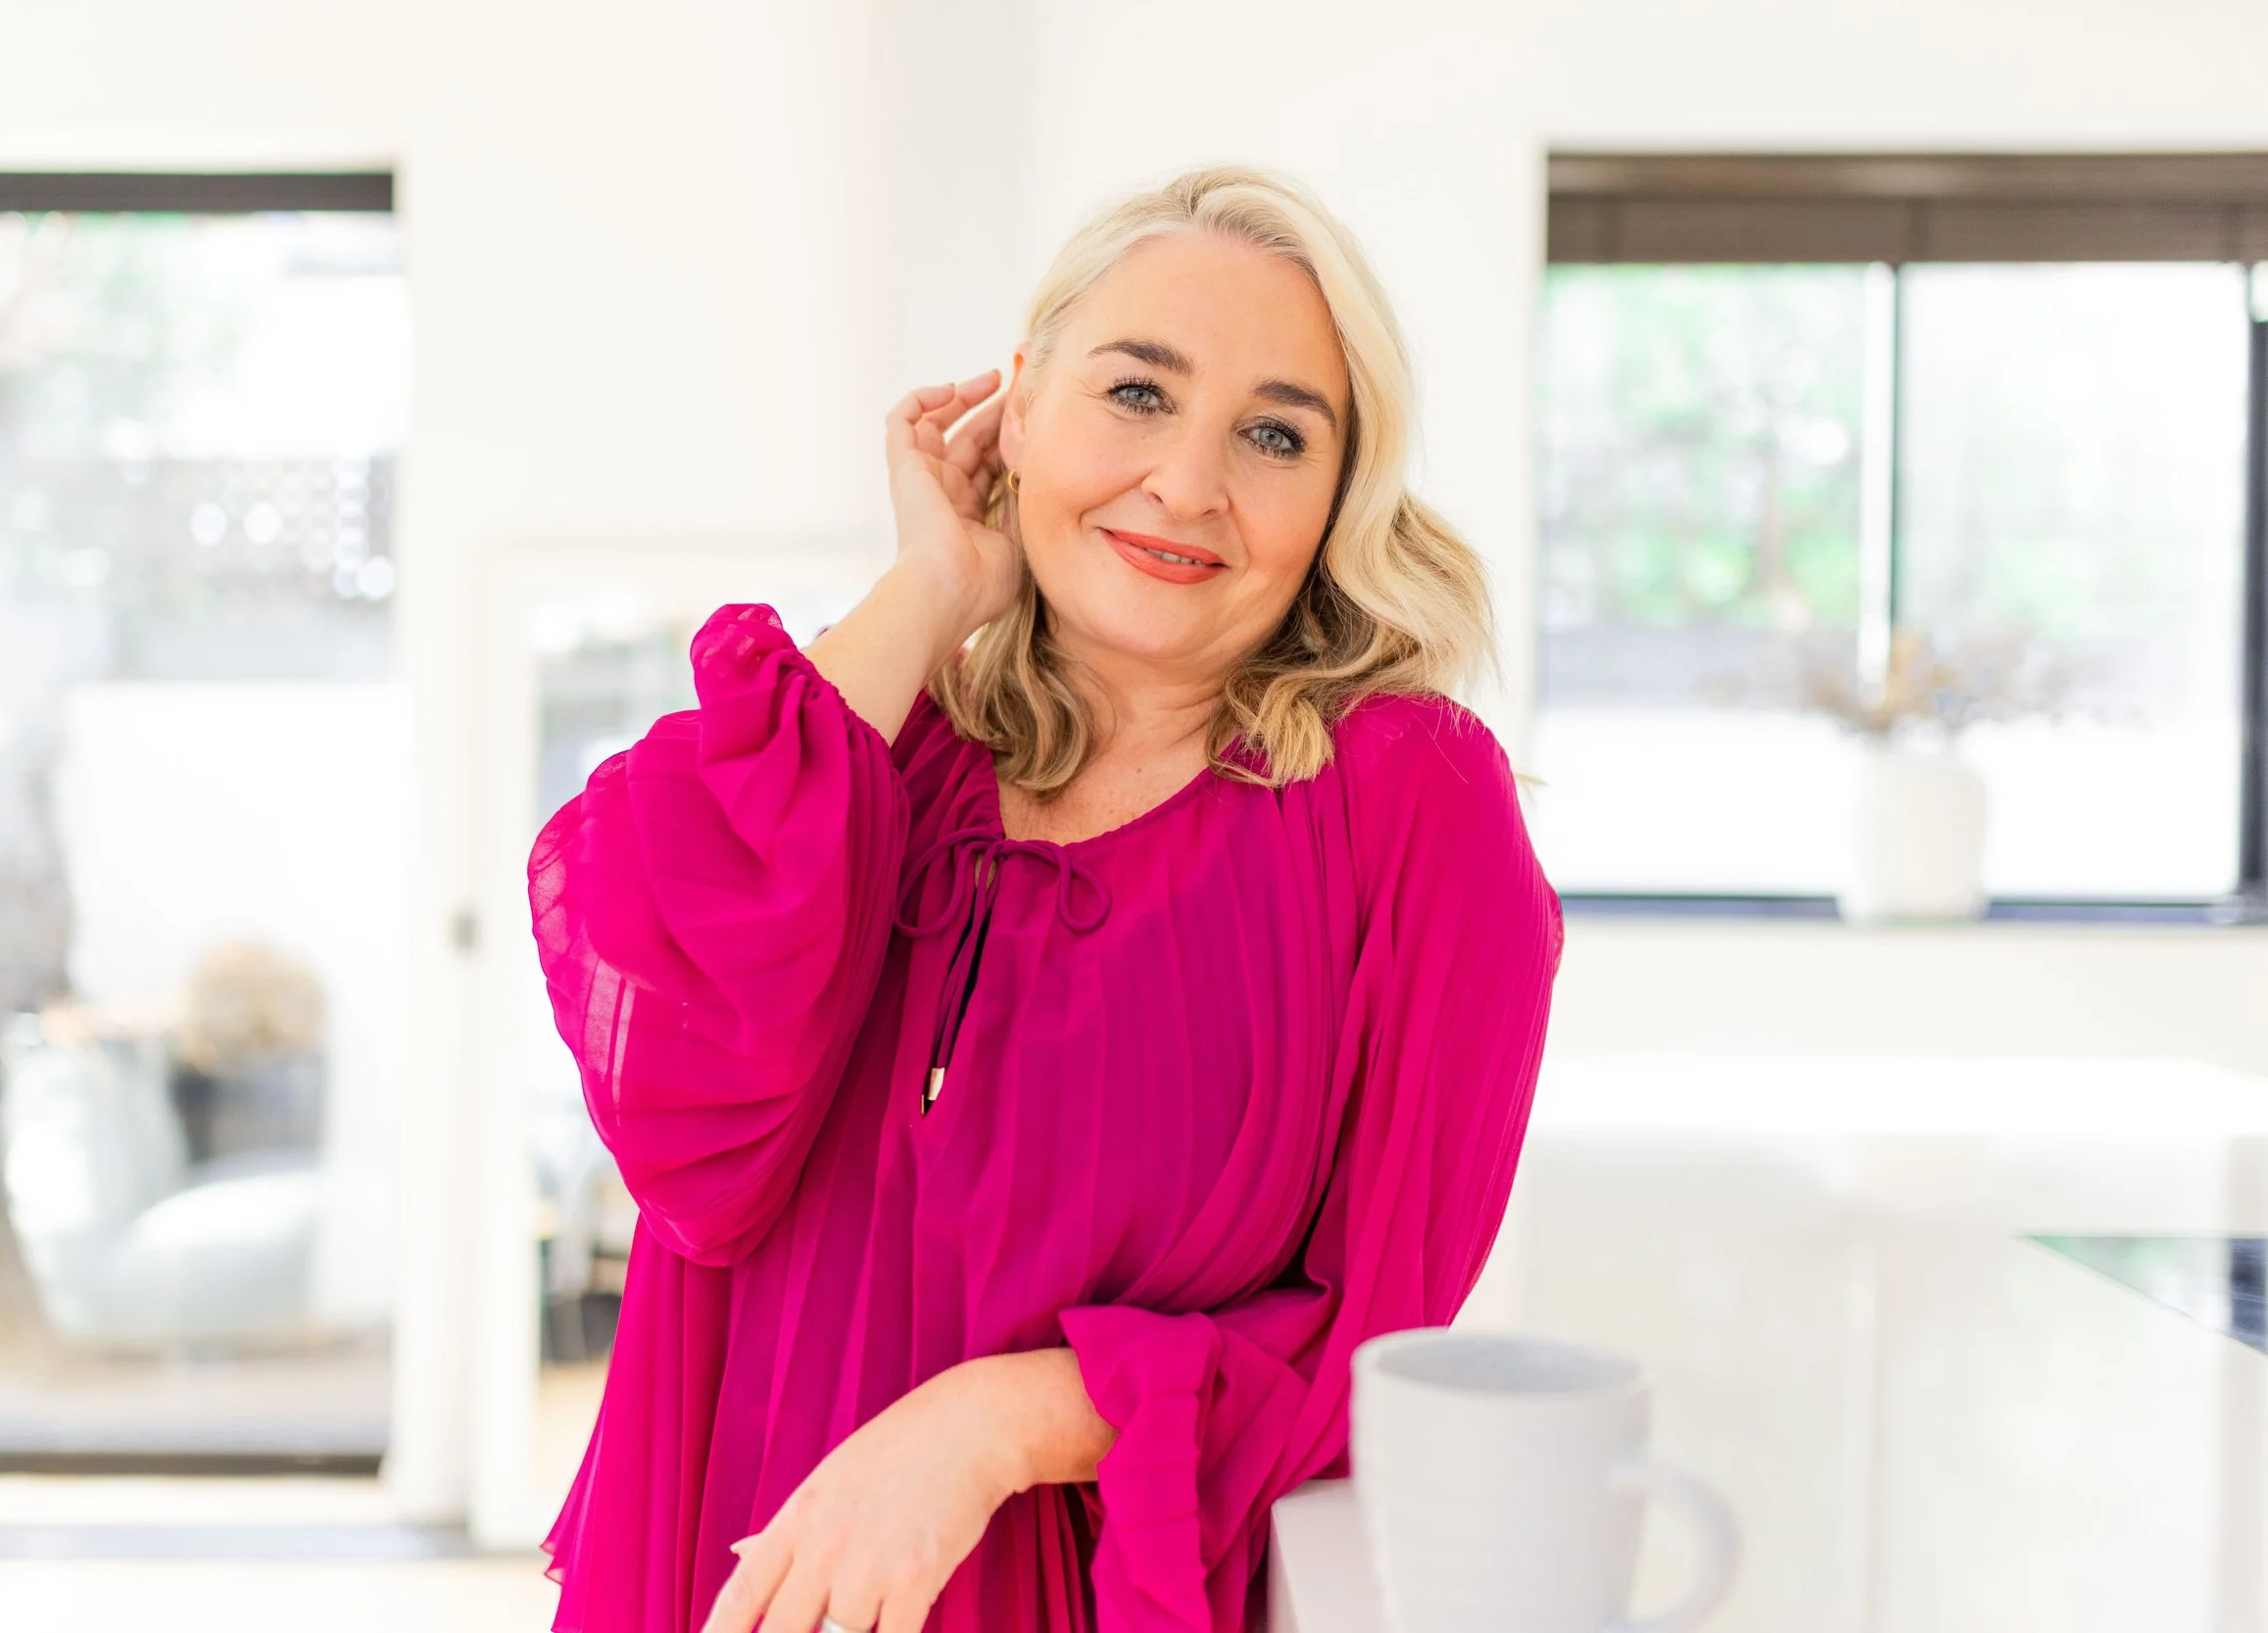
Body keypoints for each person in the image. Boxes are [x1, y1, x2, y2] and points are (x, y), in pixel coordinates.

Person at [528, 163, 1566, 1633]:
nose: (1190, 482)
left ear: (1338, 495)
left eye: (1275, 433)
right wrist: (932, 579)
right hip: (742, 1573)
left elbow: (1374, 1340)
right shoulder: (882, 755)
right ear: (1017, 407)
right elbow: (674, 1076)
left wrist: (994, 1424)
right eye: (1138, 393)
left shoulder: (1408, 807)